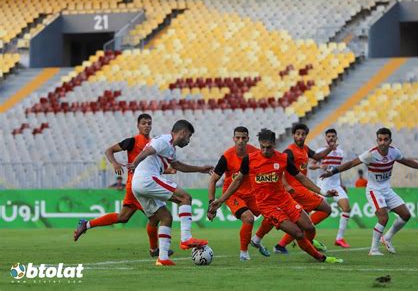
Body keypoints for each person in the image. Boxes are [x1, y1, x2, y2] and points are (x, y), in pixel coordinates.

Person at [209, 128, 343, 264]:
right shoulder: (249, 160)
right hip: (267, 206)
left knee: (309, 228)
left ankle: (303, 244)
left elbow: (301, 178)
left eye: (269, 147)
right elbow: (237, 181)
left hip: (285, 200)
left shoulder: (283, 158)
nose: (265, 151)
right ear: (259, 144)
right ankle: (321, 258)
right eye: (262, 147)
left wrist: (323, 192)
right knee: (298, 233)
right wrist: (220, 200)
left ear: (274, 144)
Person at [321, 127, 418, 256]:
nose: (383, 142)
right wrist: (332, 172)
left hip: (387, 189)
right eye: (380, 140)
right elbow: (350, 164)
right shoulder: (370, 154)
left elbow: (406, 162)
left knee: (406, 215)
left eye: (386, 139)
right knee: (383, 217)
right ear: (377, 140)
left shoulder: (394, 152)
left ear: (390, 140)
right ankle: (374, 250)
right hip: (374, 190)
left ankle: (387, 238)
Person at [74, 114, 173, 257]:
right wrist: (114, 163)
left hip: (137, 185)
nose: (147, 126)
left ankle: (86, 224)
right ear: (138, 126)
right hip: (139, 185)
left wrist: (168, 170)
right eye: (144, 123)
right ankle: (155, 250)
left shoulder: (153, 143)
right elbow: (109, 150)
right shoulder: (132, 141)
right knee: (159, 217)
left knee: (124, 217)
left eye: (149, 123)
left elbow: (152, 167)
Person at [130, 119, 213, 266]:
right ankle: (186, 238)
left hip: (137, 184)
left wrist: (201, 169)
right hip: (147, 178)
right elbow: (147, 151)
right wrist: (134, 163)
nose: (188, 141)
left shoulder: (170, 148)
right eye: (189, 137)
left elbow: (177, 165)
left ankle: (162, 258)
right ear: (183, 133)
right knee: (185, 198)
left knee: (166, 217)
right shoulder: (164, 141)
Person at [208, 126, 273, 261]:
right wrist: (211, 204)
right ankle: (244, 253)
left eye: (243, 138)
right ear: (233, 139)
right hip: (233, 194)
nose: (240, 141)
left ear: (248, 139)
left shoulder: (256, 153)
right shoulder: (227, 156)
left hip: (253, 194)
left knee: (273, 214)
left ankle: (256, 239)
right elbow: (213, 180)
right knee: (248, 218)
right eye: (237, 138)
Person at [274, 123, 337, 254]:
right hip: (296, 189)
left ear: (306, 135)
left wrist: (330, 148)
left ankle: (280, 245)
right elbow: (279, 170)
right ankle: (308, 242)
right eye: (298, 134)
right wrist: (286, 185)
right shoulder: (289, 151)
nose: (300, 136)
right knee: (326, 209)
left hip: (301, 188)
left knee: (301, 221)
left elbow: (318, 157)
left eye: (303, 134)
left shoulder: (305, 149)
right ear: (293, 135)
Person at [315, 128, 352, 248]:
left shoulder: (341, 152)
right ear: (325, 138)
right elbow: (310, 165)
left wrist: (341, 184)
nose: (331, 138)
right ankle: (302, 234)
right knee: (315, 211)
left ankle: (339, 238)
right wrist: (321, 166)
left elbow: (339, 169)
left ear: (336, 138)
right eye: (329, 136)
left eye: (333, 136)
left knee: (346, 208)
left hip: (336, 185)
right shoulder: (321, 151)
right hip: (322, 185)